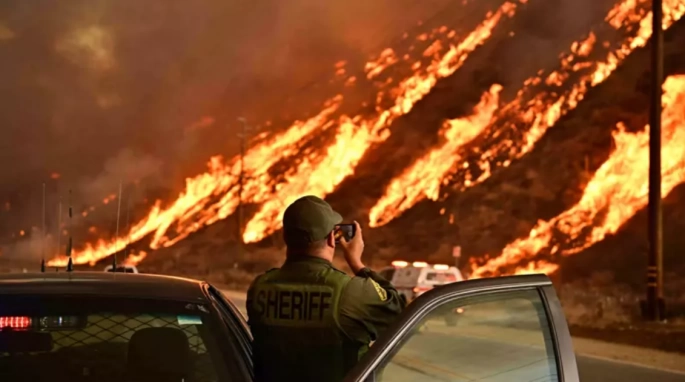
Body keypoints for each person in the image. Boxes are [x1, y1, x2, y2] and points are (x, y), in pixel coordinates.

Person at [246, 195, 406, 382]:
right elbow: (399, 312)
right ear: (332, 238)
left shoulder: (259, 288)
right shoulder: (349, 292)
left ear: (285, 238)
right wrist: (357, 263)